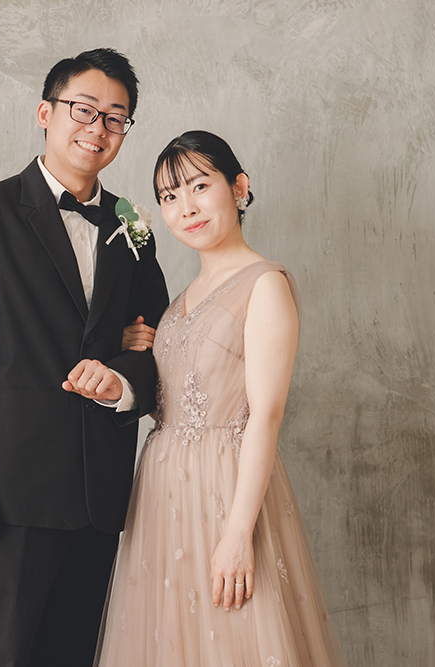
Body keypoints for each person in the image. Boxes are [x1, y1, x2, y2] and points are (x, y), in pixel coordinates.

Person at [0, 48, 169, 667]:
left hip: (100, 495)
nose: (98, 128)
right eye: (84, 109)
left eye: (115, 118)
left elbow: (164, 344)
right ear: (45, 113)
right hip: (7, 496)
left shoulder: (131, 227)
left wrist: (123, 379)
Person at [94, 131, 347, 666]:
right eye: (168, 197)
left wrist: (237, 533)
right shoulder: (177, 303)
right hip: (162, 497)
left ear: (239, 187)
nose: (185, 207)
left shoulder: (264, 284)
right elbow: (170, 395)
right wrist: (132, 349)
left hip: (225, 493)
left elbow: (265, 417)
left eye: (199, 186)